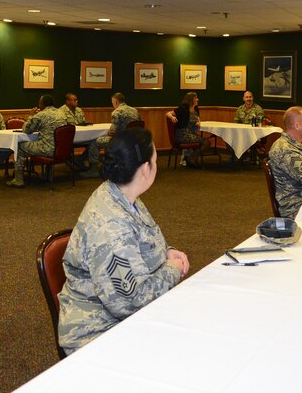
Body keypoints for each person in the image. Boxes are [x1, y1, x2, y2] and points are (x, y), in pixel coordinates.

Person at [58, 128, 189, 354]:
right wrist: (172, 270)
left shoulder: (123, 194)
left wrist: (167, 252)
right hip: (98, 332)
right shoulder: (111, 226)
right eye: (155, 159)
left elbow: (141, 240)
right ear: (146, 168)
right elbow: (129, 304)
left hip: (125, 318)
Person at [7, 94, 67, 188]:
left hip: (47, 149)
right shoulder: (61, 113)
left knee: (18, 147)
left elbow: (26, 130)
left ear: (42, 104)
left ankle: (18, 180)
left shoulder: (41, 115)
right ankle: (47, 176)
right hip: (61, 149)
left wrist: (31, 116)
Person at [81, 92, 140, 178]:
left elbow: (113, 132)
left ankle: (93, 170)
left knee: (95, 141)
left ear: (115, 101)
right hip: (132, 140)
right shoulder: (135, 110)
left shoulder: (117, 112)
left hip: (120, 141)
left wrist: (108, 132)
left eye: (112, 102)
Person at [169, 92, 204, 167]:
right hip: (182, 134)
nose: (198, 99)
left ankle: (189, 158)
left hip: (192, 133)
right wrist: (172, 117)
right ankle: (191, 158)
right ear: (191, 100)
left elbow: (198, 119)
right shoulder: (183, 108)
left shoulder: (196, 109)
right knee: (206, 142)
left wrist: (198, 121)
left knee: (203, 141)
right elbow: (168, 113)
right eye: (196, 98)